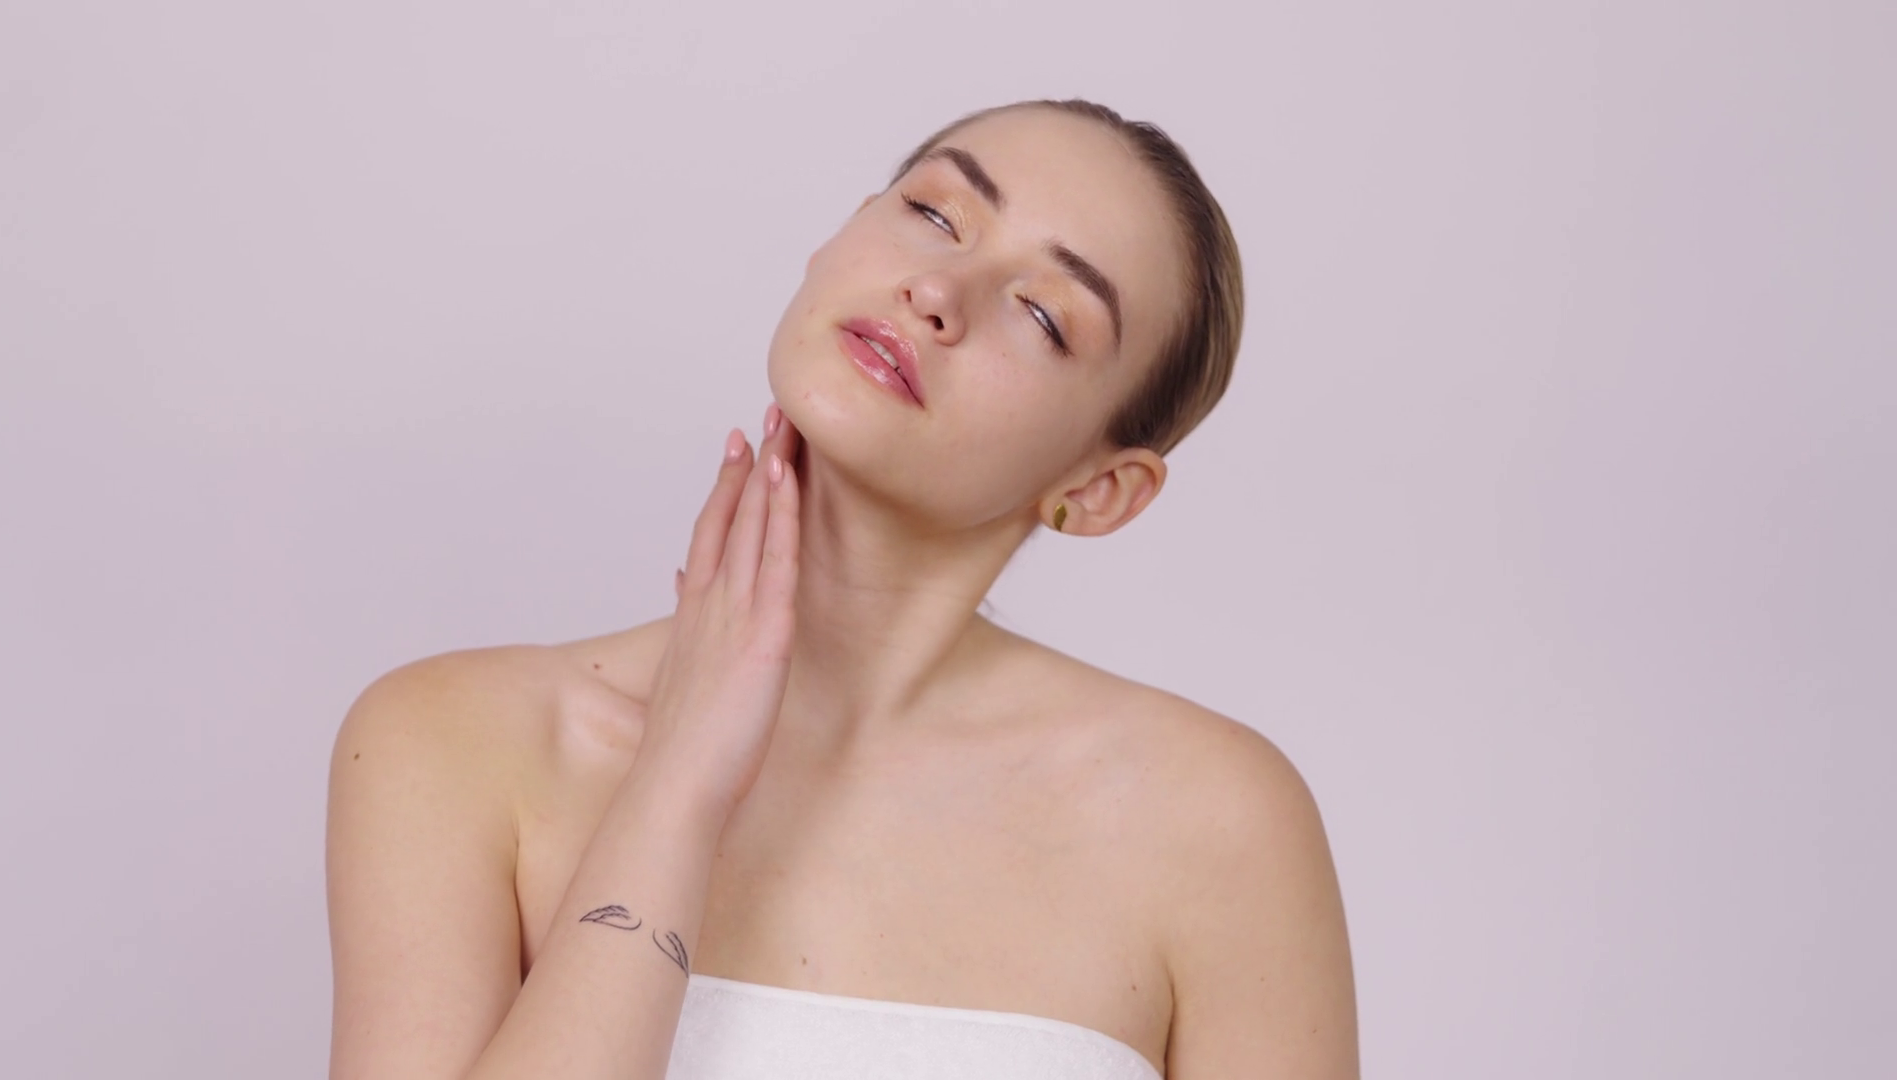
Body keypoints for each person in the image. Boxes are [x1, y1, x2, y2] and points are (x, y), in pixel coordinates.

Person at [325, 98, 1358, 1080]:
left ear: (1097, 492)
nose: (938, 293)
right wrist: (676, 785)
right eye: (934, 214)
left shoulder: (1218, 824)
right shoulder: (452, 745)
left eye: (1044, 314)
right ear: (839, 236)